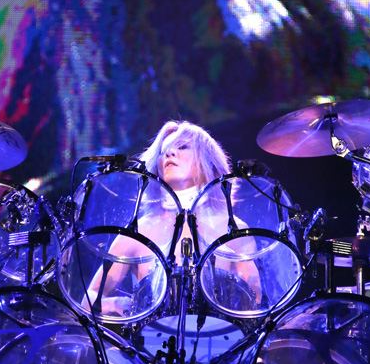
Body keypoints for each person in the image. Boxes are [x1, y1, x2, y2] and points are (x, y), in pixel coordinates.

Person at [77, 120, 262, 320]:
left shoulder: (234, 230)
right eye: (164, 152)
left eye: (182, 147)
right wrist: (118, 303)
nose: (170, 154)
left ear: (208, 160)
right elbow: (88, 298)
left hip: (219, 337)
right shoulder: (138, 231)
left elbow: (255, 302)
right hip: (151, 339)